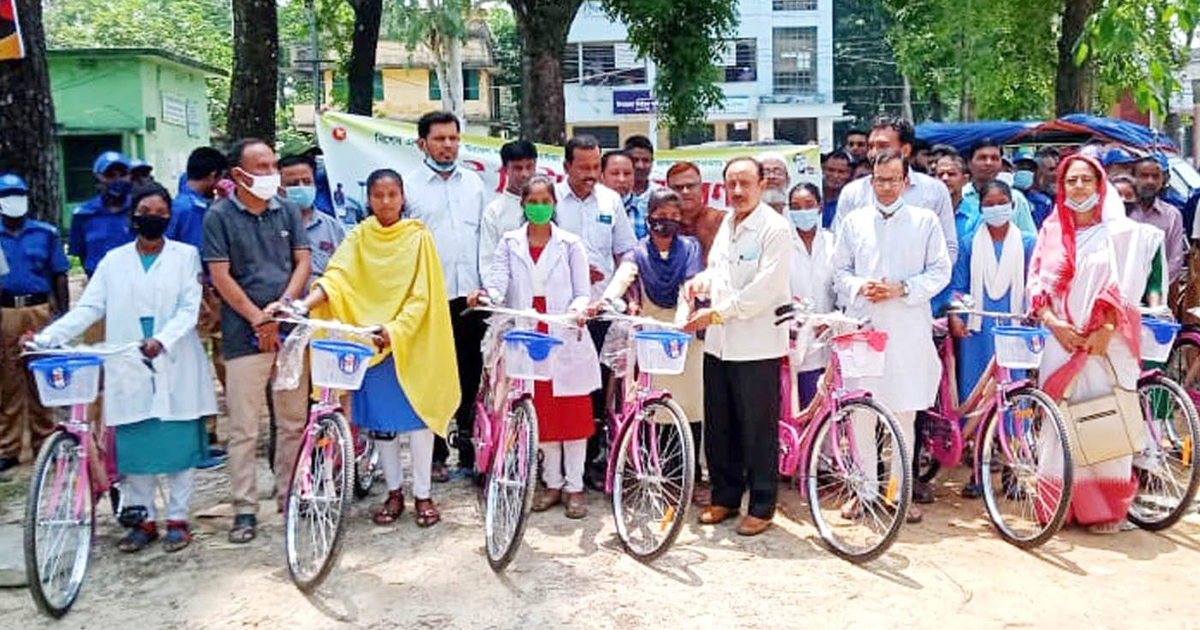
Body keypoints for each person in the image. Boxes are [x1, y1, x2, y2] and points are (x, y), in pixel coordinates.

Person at [35, 183, 218, 552]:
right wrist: (46, 338)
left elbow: (188, 308)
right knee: (136, 447)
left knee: (179, 443)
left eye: (161, 213)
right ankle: (144, 518)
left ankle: (178, 518)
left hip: (174, 356)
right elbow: (89, 308)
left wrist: (162, 340)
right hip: (127, 359)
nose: (153, 218)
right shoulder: (113, 261)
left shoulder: (185, 256)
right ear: (134, 216)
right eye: (146, 212)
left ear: (170, 217)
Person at [280, 169, 459, 527]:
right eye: (379, 195)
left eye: (393, 194)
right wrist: (305, 303)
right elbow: (335, 279)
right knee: (382, 425)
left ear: (403, 197)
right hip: (370, 344)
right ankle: (394, 492)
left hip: (409, 341)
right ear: (370, 199)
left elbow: (422, 296)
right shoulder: (359, 236)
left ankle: (422, 494)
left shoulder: (418, 238)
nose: (387, 202)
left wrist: (395, 329)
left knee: (420, 421)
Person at [831, 151, 952, 523]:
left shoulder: (924, 220)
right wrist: (859, 286)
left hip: (906, 329)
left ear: (905, 182)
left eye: (893, 180)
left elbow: (940, 271)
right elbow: (839, 272)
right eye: (879, 180)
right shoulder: (854, 222)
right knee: (861, 414)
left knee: (903, 415)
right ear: (871, 182)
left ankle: (898, 494)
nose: (885, 186)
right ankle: (864, 491)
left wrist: (903, 288)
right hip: (864, 327)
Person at [202, 138, 312, 544]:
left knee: (292, 422)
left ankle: (290, 496)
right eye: (261, 167)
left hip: (289, 331)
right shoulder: (219, 217)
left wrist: (281, 308)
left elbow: (303, 261)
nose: (270, 174)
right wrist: (257, 318)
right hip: (243, 335)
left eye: (272, 166)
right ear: (238, 175)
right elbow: (220, 276)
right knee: (245, 428)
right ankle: (244, 507)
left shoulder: (288, 210)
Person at [470, 175, 599, 518]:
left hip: (562, 329)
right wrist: (487, 296)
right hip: (526, 333)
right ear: (523, 204)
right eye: (533, 201)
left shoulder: (571, 243)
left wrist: (577, 311)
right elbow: (498, 284)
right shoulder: (509, 242)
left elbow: (582, 290)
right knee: (539, 413)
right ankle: (552, 483)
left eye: (545, 201)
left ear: (554, 204)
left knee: (572, 414)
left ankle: (575, 488)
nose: (539, 207)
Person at [1028, 154, 1142, 534]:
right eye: (1071, 181)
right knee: (1060, 424)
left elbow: (1122, 285)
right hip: (1061, 340)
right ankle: (1059, 506)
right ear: (1062, 187)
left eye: (1086, 181)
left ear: (1099, 186)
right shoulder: (1050, 230)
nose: (1078, 187)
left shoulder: (1117, 233)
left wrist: (1105, 328)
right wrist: (1054, 323)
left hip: (1101, 344)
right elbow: (1036, 284)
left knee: (1103, 421)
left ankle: (1105, 510)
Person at [683, 157, 791, 537]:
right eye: (732, 184)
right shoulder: (727, 224)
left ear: (762, 184)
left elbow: (765, 289)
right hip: (719, 345)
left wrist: (716, 314)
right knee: (720, 424)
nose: (739, 191)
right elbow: (719, 271)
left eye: (746, 183)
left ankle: (762, 504)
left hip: (757, 345)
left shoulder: (775, 229)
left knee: (758, 428)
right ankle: (725, 496)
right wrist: (700, 282)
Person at [599, 188, 706, 502]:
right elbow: (622, 279)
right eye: (661, 217)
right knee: (649, 406)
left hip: (684, 335)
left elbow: (689, 288)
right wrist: (604, 302)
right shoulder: (637, 253)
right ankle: (650, 472)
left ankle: (692, 478)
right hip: (650, 335)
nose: (668, 223)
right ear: (649, 219)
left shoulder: (690, 248)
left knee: (691, 407)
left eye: (674, 217)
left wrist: (681, 325)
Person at [403, 111, 487, 480]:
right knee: (433, 375)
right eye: (440, 139)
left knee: (471, 375)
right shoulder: (407, 187)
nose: (448, 145)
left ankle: (469, 450)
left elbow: (485, 241)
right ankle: (434, 455)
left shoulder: (475, 185)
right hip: (428, 299)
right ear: (422, 143)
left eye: (453, 138)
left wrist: (485, 287)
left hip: (470, 298)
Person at [554, 134, 637, 487]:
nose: (591, 174)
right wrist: (572, 269)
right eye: (583, 167)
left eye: (595, 167)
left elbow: (626, 252)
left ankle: (590, 462)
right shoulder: (551, 199)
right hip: (563, 313)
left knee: (599, 389)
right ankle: (556, 467)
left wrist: (625, 294)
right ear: (566, 166)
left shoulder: (611, 200)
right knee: (565, 388)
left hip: (602, 309)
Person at [0, 173, 69, 472]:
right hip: (5, 311)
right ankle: (9, 446)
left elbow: (59, 275)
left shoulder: (45, 233)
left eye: (19, 193)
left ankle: (44, 440)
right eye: (8, 193)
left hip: (38, 308)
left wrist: (63, 317)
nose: (14, 198)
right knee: (7, 379)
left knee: (41, 376)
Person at [947, 180, 1036, 401]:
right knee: (975, 383)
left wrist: (1031, 313)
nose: (996, 208)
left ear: (1013, 205)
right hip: (977, 326)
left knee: (1014, 383)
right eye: (990, 204)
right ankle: (975, 434)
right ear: (981, 209)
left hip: (1015, 324)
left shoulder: (1029, 243)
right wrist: (956, 316)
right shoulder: (967, 244)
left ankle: (1013, 433)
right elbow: (958, 286)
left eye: (1002, 203)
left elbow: (1034, 284)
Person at [833, 114, 958, 262]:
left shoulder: (934, 191)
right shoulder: (853, 193)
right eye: (871, 146)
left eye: (882, 146)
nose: (873, 153)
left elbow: (948, 249)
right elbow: (839, 250)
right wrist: (862, 285)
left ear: (905, 150)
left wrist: (911, 285)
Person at [785, 182, 836, 408]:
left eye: (808, 205)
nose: (802, 211)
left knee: (830, 413)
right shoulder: (782, 243)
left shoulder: (833, 243)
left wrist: (831, 320)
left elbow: (842, 288)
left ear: (820, 207)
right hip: (796, 341)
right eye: (796, 206)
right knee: (801, 407)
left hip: (830, 338)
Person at [69, 151, 134, 277]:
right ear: (98, 178)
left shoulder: (140, 210)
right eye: (110, 175)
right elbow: (81, 252)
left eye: (122, 174)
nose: (117, 180)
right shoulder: (83, 215)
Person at [280, 154, 345, 279]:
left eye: (307, 182)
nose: (302, 187)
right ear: (279, 189)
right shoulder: (269, 226)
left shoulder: (332, 227)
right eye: (293, 184)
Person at [480, 140, 538, 275]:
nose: (525, 174)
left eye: (529, 167)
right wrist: (496, 293)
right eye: (518, 168)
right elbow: (488, 261)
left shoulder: (549, 204)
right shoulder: (494, 212)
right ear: (505, 169)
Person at [959, 140, 1037, 238]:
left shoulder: (1016, 198)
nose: (988, 163)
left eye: (994, 158)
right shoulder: (960, 196)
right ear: (969, 163)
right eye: (982, 158)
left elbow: (1029, 237)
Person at [1111, 175, 1168, 307]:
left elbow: (1154, 285)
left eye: (1128, 195)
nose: (1123, 200)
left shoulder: (1149, 237)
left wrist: (1156, 313)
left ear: (1136, 201)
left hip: (1137, 311)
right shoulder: (1095, 235)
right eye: (1117, 195)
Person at [1129, 156, 1187, 284]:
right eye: (1144, 176)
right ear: (1133, 179)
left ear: (1162, 181)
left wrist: (1156, 285)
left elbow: (1175, 259)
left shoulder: (1172, 215)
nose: (1150, 181)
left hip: (1158, 291)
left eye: (1155, 176)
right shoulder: (1122, 211)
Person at [667, 161, 724, 262]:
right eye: (678, 188)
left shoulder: (720, 220)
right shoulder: (663, 224)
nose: (685, 192)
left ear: (701, 188)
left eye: (690, 186)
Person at [624, 135, 659, 239]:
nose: (640, 166)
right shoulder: (613, 195)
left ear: (652, 162)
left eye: (646, 160)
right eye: (635, 160)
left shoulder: (661, 195)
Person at [602, 150, 641, 238]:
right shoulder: (591, 208)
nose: (621, 179)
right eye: (615, 173)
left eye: (627, 174)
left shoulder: (645, 209)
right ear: (602, 176)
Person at [1013, 151, 1054, 228]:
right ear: (1014, 169)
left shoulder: (1043, 202)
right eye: (1021, 167)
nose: (1025, 171)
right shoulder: (1005, 198)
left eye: (1029, 169)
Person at [821, 150, 853, 228]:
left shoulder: (852, 201)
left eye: (841, 172)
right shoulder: (812, 196)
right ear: (823, 170)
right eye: (830, 170)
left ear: (849, 174)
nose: (835, 176)